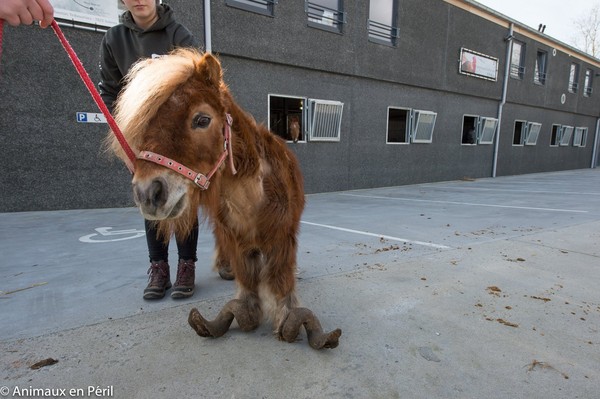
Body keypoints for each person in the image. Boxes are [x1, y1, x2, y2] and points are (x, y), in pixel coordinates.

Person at [99, 0, 200, 300]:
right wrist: (122, 141)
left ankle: (187, 265)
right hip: (139, 138)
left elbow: (197, 87)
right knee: (149, 196)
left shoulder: (178, 35)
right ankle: (158, 268)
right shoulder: (114, 39)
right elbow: (109, 91)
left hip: (175, 138)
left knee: (182, 198)